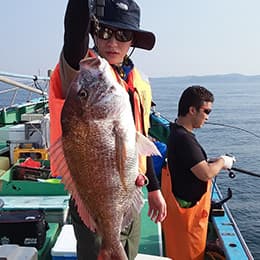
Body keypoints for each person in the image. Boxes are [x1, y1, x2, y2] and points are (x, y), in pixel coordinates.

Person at [48, 0, 167, 259]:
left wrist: (154, 188)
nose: (112, 43)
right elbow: (73, 33)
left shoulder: (136, 82)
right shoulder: (82, 72)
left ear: (132, 41)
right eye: (104, 32)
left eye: (122, 35)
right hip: (95, 202)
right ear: (93, 33)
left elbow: (141, 136)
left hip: (130, 194)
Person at [161, 85, 235, 260]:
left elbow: (190, 164)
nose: (208, 117)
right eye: (206, 111)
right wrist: (223, 161)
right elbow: (206, 173)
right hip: (188, 217)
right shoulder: (185, 139)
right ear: (192, 110)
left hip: (179, 213)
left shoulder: (176, 133)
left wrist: (211, 162)